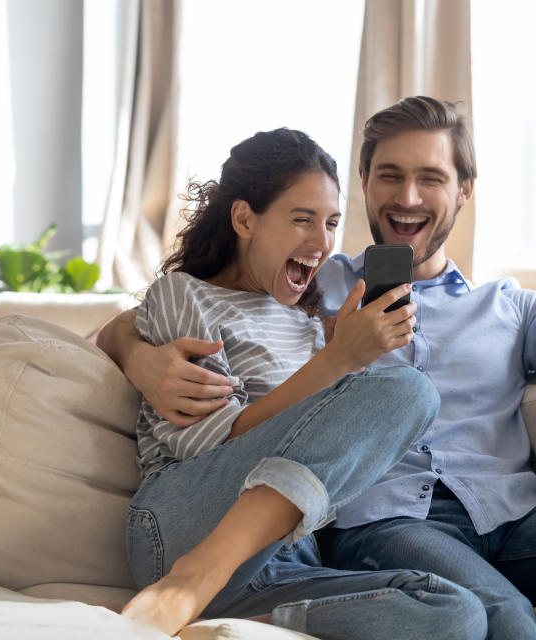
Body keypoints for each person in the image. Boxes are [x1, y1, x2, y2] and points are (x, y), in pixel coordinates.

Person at [99, 98, 536, 639]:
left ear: (464, 190)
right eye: (389, 175)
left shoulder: (508, 307)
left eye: (430, 178)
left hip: (511, 519)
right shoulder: (311, 282)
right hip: (385, 525)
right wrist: (136, 352)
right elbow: (179, 299)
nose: (407, 196)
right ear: (365, 184)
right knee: (504, 621)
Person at [115, 128, 487, 640]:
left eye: (331, 222)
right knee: (410, 390)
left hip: (280, 562)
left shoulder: (308, 321)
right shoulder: (185, 296)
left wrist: (339, 360)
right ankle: (191, 580)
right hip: (180, 526)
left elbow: (321, 450)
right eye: (301, 220)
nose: (321, 243)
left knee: (457, 613)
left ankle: (227, 624)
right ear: (244, 219)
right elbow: (203, 443)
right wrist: (336, 362)